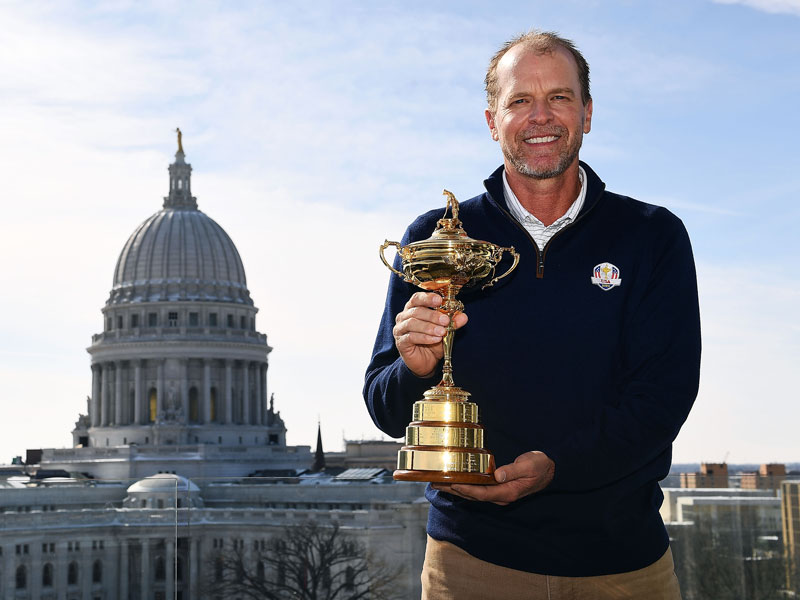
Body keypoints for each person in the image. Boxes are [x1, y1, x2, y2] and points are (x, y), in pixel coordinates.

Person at [364, 30, 700, 600]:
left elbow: (663, 398)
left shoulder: (652, 236)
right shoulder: (436, 240)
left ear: (587, 113)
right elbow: (384, 408)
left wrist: (558, 467)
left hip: (622, 567)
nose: (539, 116)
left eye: (559, 97)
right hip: (468, 566)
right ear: (492, 121)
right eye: (519, 100)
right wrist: (415, 368)